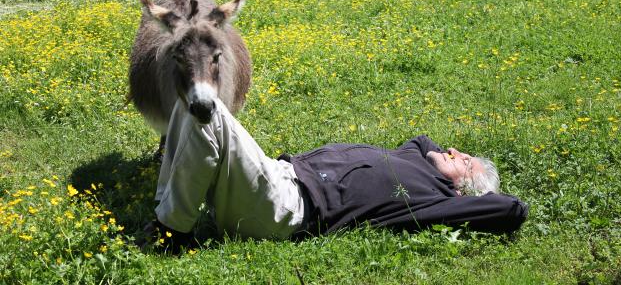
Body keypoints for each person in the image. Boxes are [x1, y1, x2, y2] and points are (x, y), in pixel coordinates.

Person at [140, 98, 528, 252]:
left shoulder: (434, 202)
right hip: (280, 176)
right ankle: (167, 211)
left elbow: (510, 209)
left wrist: (466, 194)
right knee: (188, 99)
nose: (454, 151)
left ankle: (172, 233)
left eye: (465, 162)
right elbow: (422, 138)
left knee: (207, 109)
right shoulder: (415, 158)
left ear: (463, 191)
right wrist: (441, 157)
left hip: (287, 205)